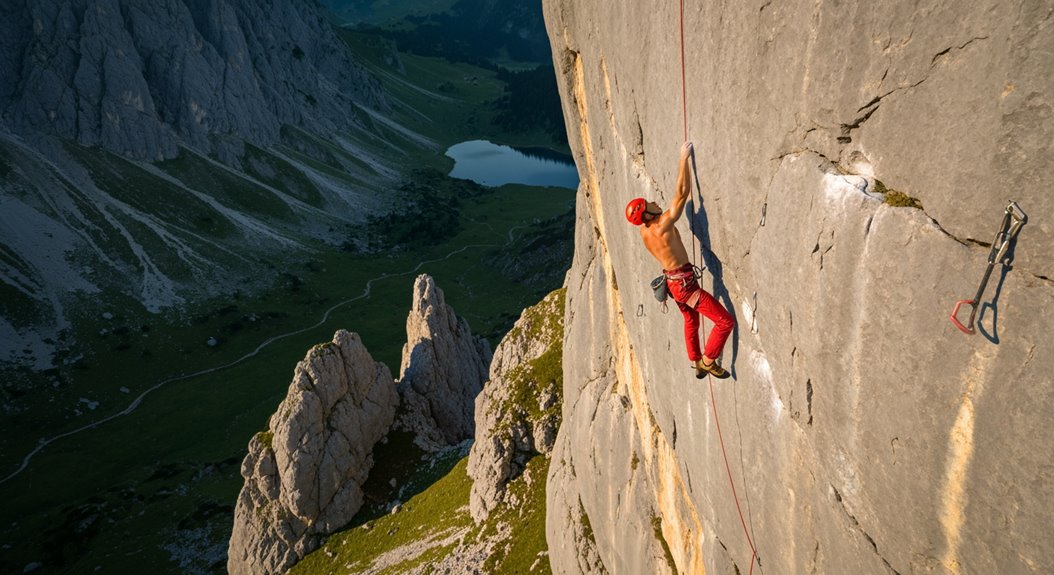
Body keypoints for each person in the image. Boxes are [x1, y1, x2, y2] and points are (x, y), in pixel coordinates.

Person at [625, 141, 734, 379]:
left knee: (690, 320)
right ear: (648, 214)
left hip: (673, 284)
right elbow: (682, 193)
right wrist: (683, 159)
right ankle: (707, 360)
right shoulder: (662, 225)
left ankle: (695, 360)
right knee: (725, 322)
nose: (654, 202)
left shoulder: (644, 232)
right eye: (649, 204)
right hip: (684, 286)